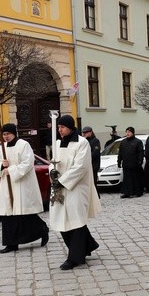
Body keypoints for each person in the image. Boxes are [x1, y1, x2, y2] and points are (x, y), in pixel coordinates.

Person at [49, 115, 100, 270]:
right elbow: (52, 162)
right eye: (58, 127)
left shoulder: (82, 143)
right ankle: (87, 246)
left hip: (76, 187)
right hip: (60, 187)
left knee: (76, 220)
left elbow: (81, 167)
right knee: (61, 220)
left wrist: (63, 181)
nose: (59, 130)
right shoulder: (57, 143)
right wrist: (52, 173)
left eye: (62, 127)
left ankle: (76, 258)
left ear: (70, 127)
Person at [0, 123, 49, 254]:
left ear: (14, 133)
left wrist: (11, 170)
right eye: (4, 134)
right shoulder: (3, 147)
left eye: (8, 134)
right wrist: (2, 166)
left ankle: (41, 229)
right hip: (7, 185)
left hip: (21, 184)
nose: (6, 137)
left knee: (23, 214)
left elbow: (28, 163)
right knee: (8, 214)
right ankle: (11, 243)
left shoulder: (24, 145)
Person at [117, 126, 144, 198]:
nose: (127, 133)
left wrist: (139, 162)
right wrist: (119, 161)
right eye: (126, 132)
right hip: (126, 164)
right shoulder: (123, 142)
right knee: (127, 179)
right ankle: (127, 192)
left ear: (133, 133)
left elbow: (140, 153)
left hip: (135, 164)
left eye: (129, 132)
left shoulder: (138, 142)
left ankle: (138, 192)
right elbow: (120, 153)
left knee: (136, 179)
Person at [82, 126, 101, 191]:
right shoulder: (84, 141)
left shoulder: (95, 141)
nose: (84, 134)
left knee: (93, 183)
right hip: (86, 165)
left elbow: (95, 153)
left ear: (90, 132)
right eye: (83, 133)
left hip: (93, 165)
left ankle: (96, 197)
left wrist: (85, 157)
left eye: (86, 132)